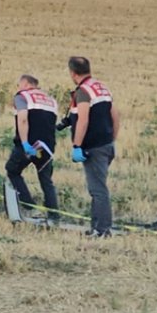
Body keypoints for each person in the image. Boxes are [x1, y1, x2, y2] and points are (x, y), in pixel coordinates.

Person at [57, 56, 120, 237]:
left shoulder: (83, 92)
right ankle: (95, 226)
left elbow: (83, 120)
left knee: (98, 190)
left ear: (73, 73)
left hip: (93, 148)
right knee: (97, 188)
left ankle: (102, 230)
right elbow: (115, 117)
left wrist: (77, 145)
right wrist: (111, 139)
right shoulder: (101, 88)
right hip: (107, 145)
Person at [5, 74, 60, 221]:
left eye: (19, 85)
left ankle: (29, 206)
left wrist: (24, 143)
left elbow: (23, 120)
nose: (18, 88)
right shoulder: (51, 101)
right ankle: (54, 215)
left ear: (25, 84)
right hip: (47, 147)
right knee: (46, 180)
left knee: (12, 171)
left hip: (28, 145)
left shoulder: (22, 96)